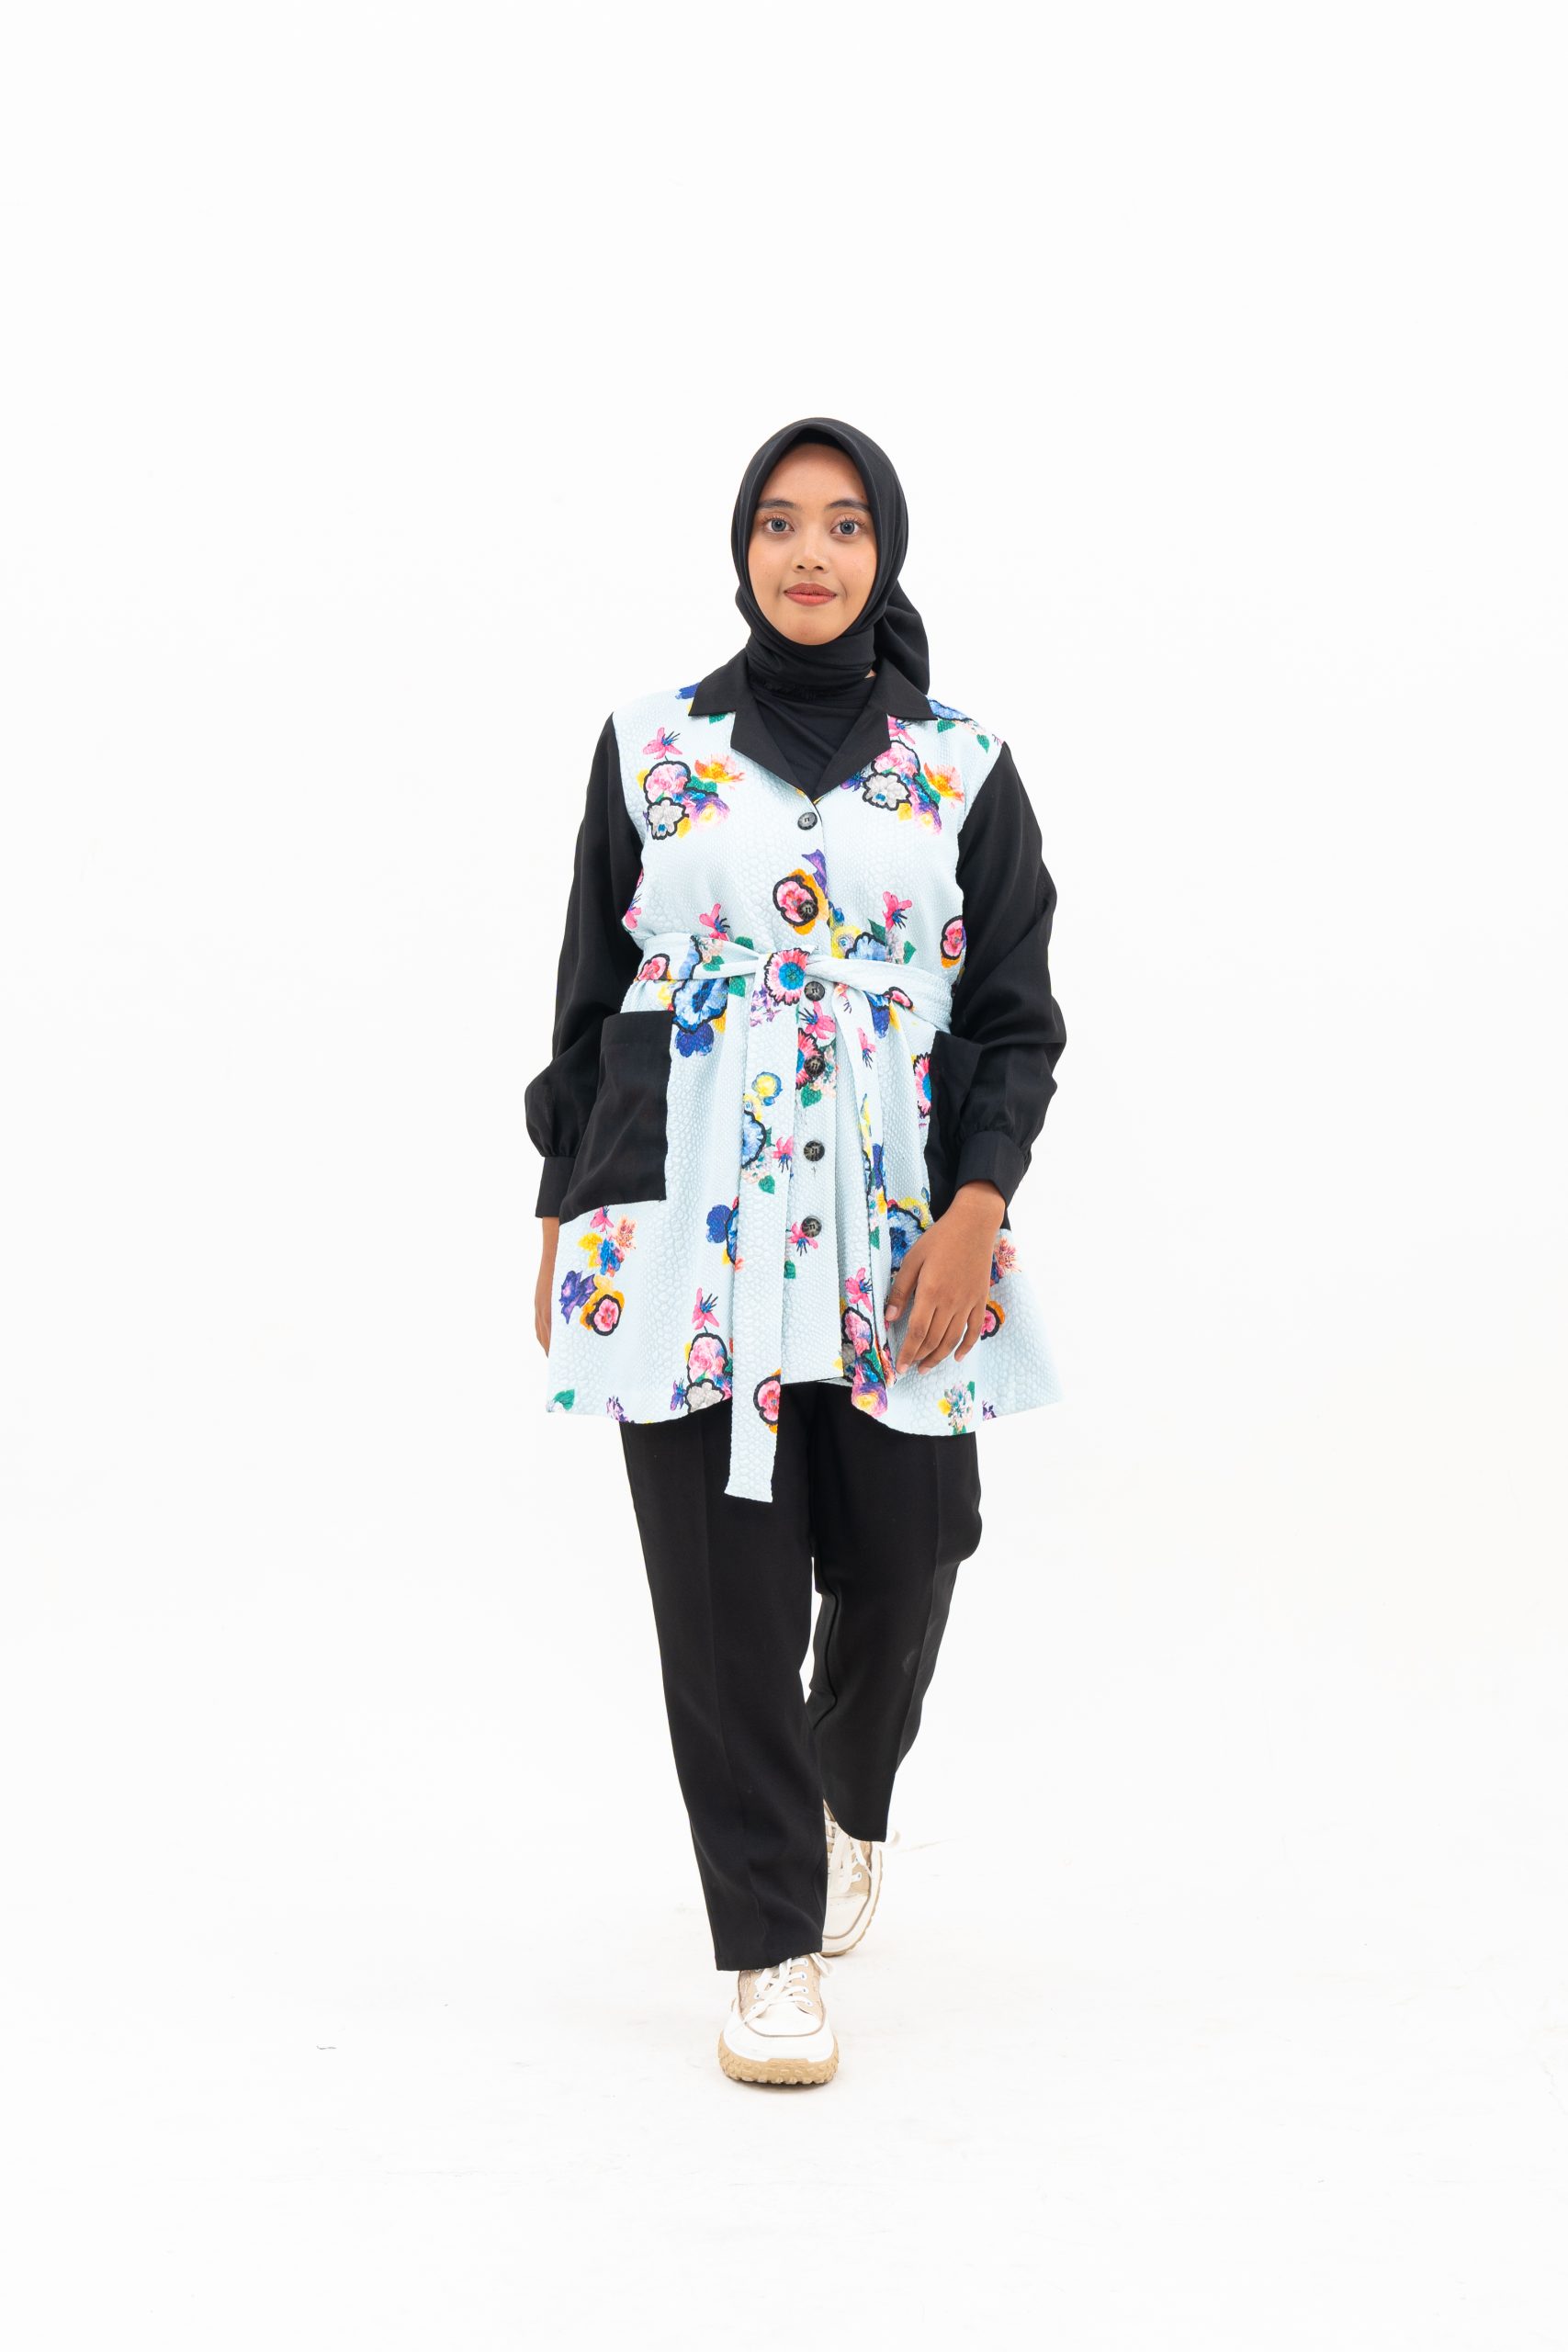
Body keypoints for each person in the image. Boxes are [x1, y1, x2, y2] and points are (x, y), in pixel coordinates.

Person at [525, 415, 1066, 2086]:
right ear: (742, 548)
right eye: (778, 522)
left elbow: (1014, 1015)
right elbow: (587, 993)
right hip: (679, 1220)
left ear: (883, 551)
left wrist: (977, 1207)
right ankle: (766, 1946)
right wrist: (557, 1208)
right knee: (721, 1598)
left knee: (915, 1546)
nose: (809, 553)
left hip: (898, 1223)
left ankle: (844, 1783)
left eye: (842, 524)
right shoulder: (652, 745)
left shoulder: (959, 763)